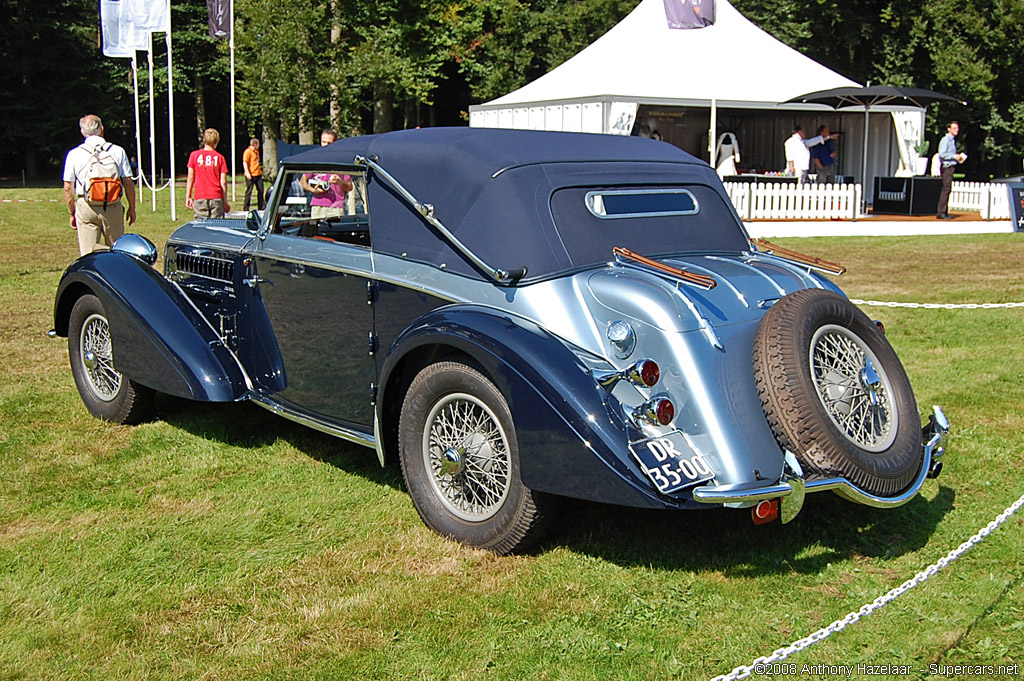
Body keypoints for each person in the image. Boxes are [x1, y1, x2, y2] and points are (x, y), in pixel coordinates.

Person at [62, 114, 137, 256]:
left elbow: (68, 187)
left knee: (89, 255)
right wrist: (132, 208)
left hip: (86, 205)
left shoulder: (74, 154)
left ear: (82, 132)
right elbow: (128, 182)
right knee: (118, 252)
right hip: (113, 205)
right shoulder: (117, 151)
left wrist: (72, 212)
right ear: (102, 129)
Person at [300, 129, 352, 219]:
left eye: (329, 143)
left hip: (336, 206)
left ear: (335, 143)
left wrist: (341, 182)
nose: (326, 145)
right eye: (324, 142)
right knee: (316, 232)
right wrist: (313, 190)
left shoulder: (341, 161)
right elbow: (302, 181)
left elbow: (349, 187)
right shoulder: (315, 159)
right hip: (317, 205)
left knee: (335, 232)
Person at [186, 128, 230, 219]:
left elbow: (190, 177)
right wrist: (225, 201)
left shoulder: (194, 155)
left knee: (201, 226)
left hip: (200, 195)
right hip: (216, 196)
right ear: (216, 142)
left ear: (204, 140)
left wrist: (188, 196)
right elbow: (223, 182)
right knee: (217, 226)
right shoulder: (220, 158)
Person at [936, 121, 966, 219]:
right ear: (949, 129)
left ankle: (944, 211)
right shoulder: (946, 140)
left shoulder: (952, 140)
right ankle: (941, 212)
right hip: (947, 166)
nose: (956, 130)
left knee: (947, 189)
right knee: (946, 189)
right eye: (954, 128)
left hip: (951, 166)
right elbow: (942, 154)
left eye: (957, 128)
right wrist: (954, 156)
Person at [242, 137, 265, 211]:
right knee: (249, 191)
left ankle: (261, 206)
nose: (258, 146)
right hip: (251, 174)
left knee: (261, 190)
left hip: (257, 173)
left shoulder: (256, 152)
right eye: (258, 144)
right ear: (255, 144)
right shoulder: (248, 152)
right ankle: (246, 207)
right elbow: (245, 162)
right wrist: (247, 172)